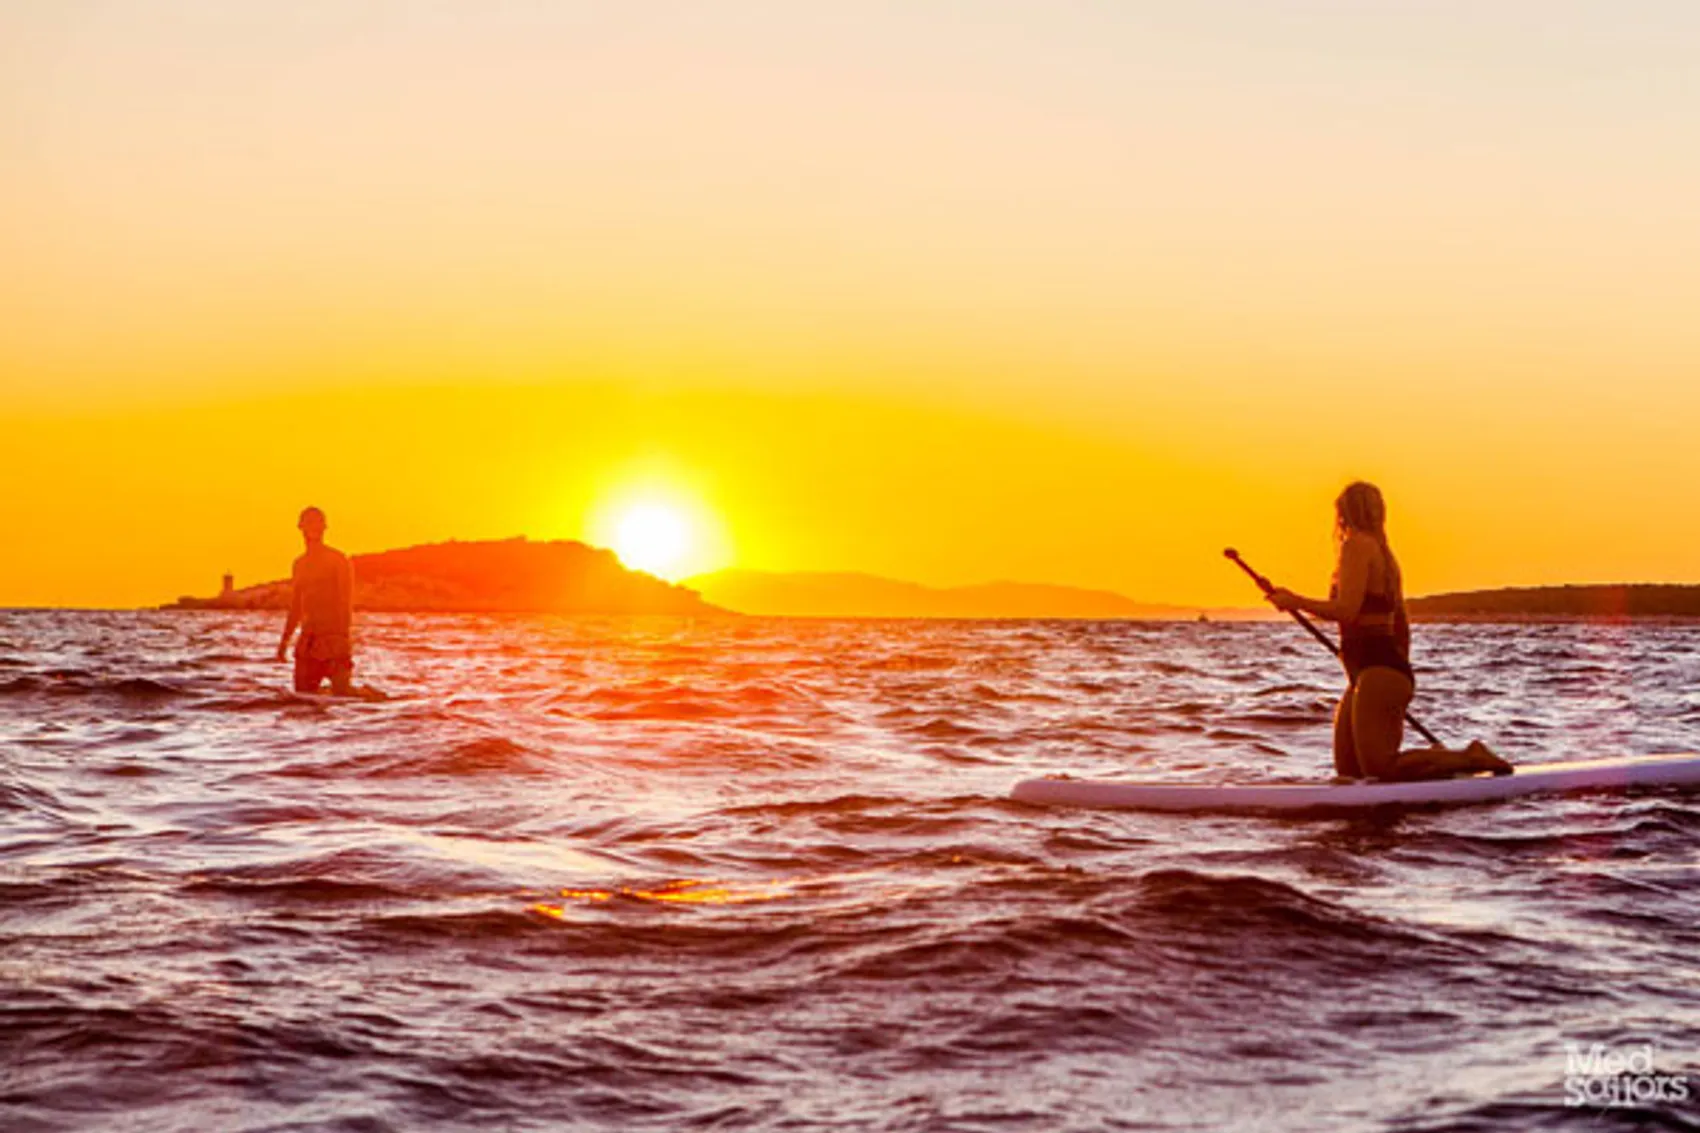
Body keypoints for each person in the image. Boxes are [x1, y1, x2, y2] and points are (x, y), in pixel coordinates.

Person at [1268, 482, 1509, 781]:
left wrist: (1295, 601)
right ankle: (1438, 771)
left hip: (1378, 673)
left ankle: (1468, 756)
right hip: (1375, 673)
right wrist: (1392, 676)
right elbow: (1399, 626)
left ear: (1343, 514)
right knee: (1350, 773)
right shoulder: (1384, 554)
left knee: (1380, 768)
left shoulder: (1356, 546)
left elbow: (1346, 611)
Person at [276, 506, 355, 695]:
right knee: (302, 702)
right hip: (308, 642)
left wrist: (343, 641)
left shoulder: (338, 560)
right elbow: (296, 606)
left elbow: (346, 602)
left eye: (318, 523)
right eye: (309, 523)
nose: (314, 528)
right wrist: (284, 642)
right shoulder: (299, 564)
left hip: (334, 640)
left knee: (342, 701)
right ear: (301, 527)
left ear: (324, 528)